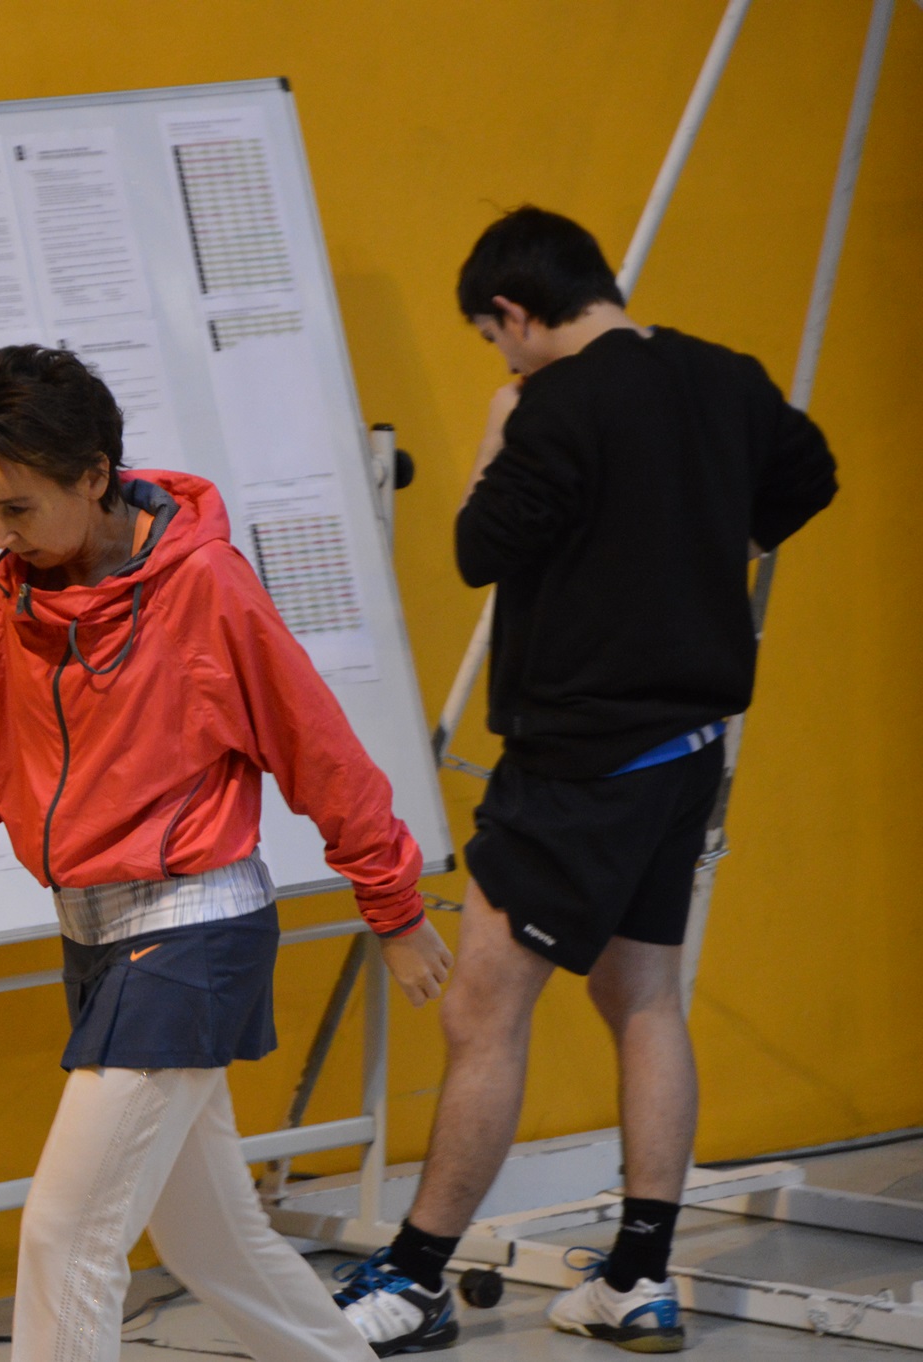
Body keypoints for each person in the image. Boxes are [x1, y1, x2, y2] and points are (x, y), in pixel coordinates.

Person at [0, 345, 454, 1362]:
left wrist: (394, 910)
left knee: (64, 1240)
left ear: (94, 474)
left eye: (17, 508)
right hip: (99, 943)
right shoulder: (5, 601)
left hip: (193, 935)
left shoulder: (204, 589)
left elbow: (321, 754)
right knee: (214, 1245)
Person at [333, 206, 839, 1355]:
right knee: (642, 998)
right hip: (684, 751)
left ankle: (412, 1278)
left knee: (479, 1012)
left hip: (578, 761)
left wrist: (499, 423)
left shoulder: (550, 405)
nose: (500, 362)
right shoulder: (721, 376)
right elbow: (809, 474)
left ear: (513, 312)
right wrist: (715, 542)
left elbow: (477, 549)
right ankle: (636, 1280)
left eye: (491, 341)